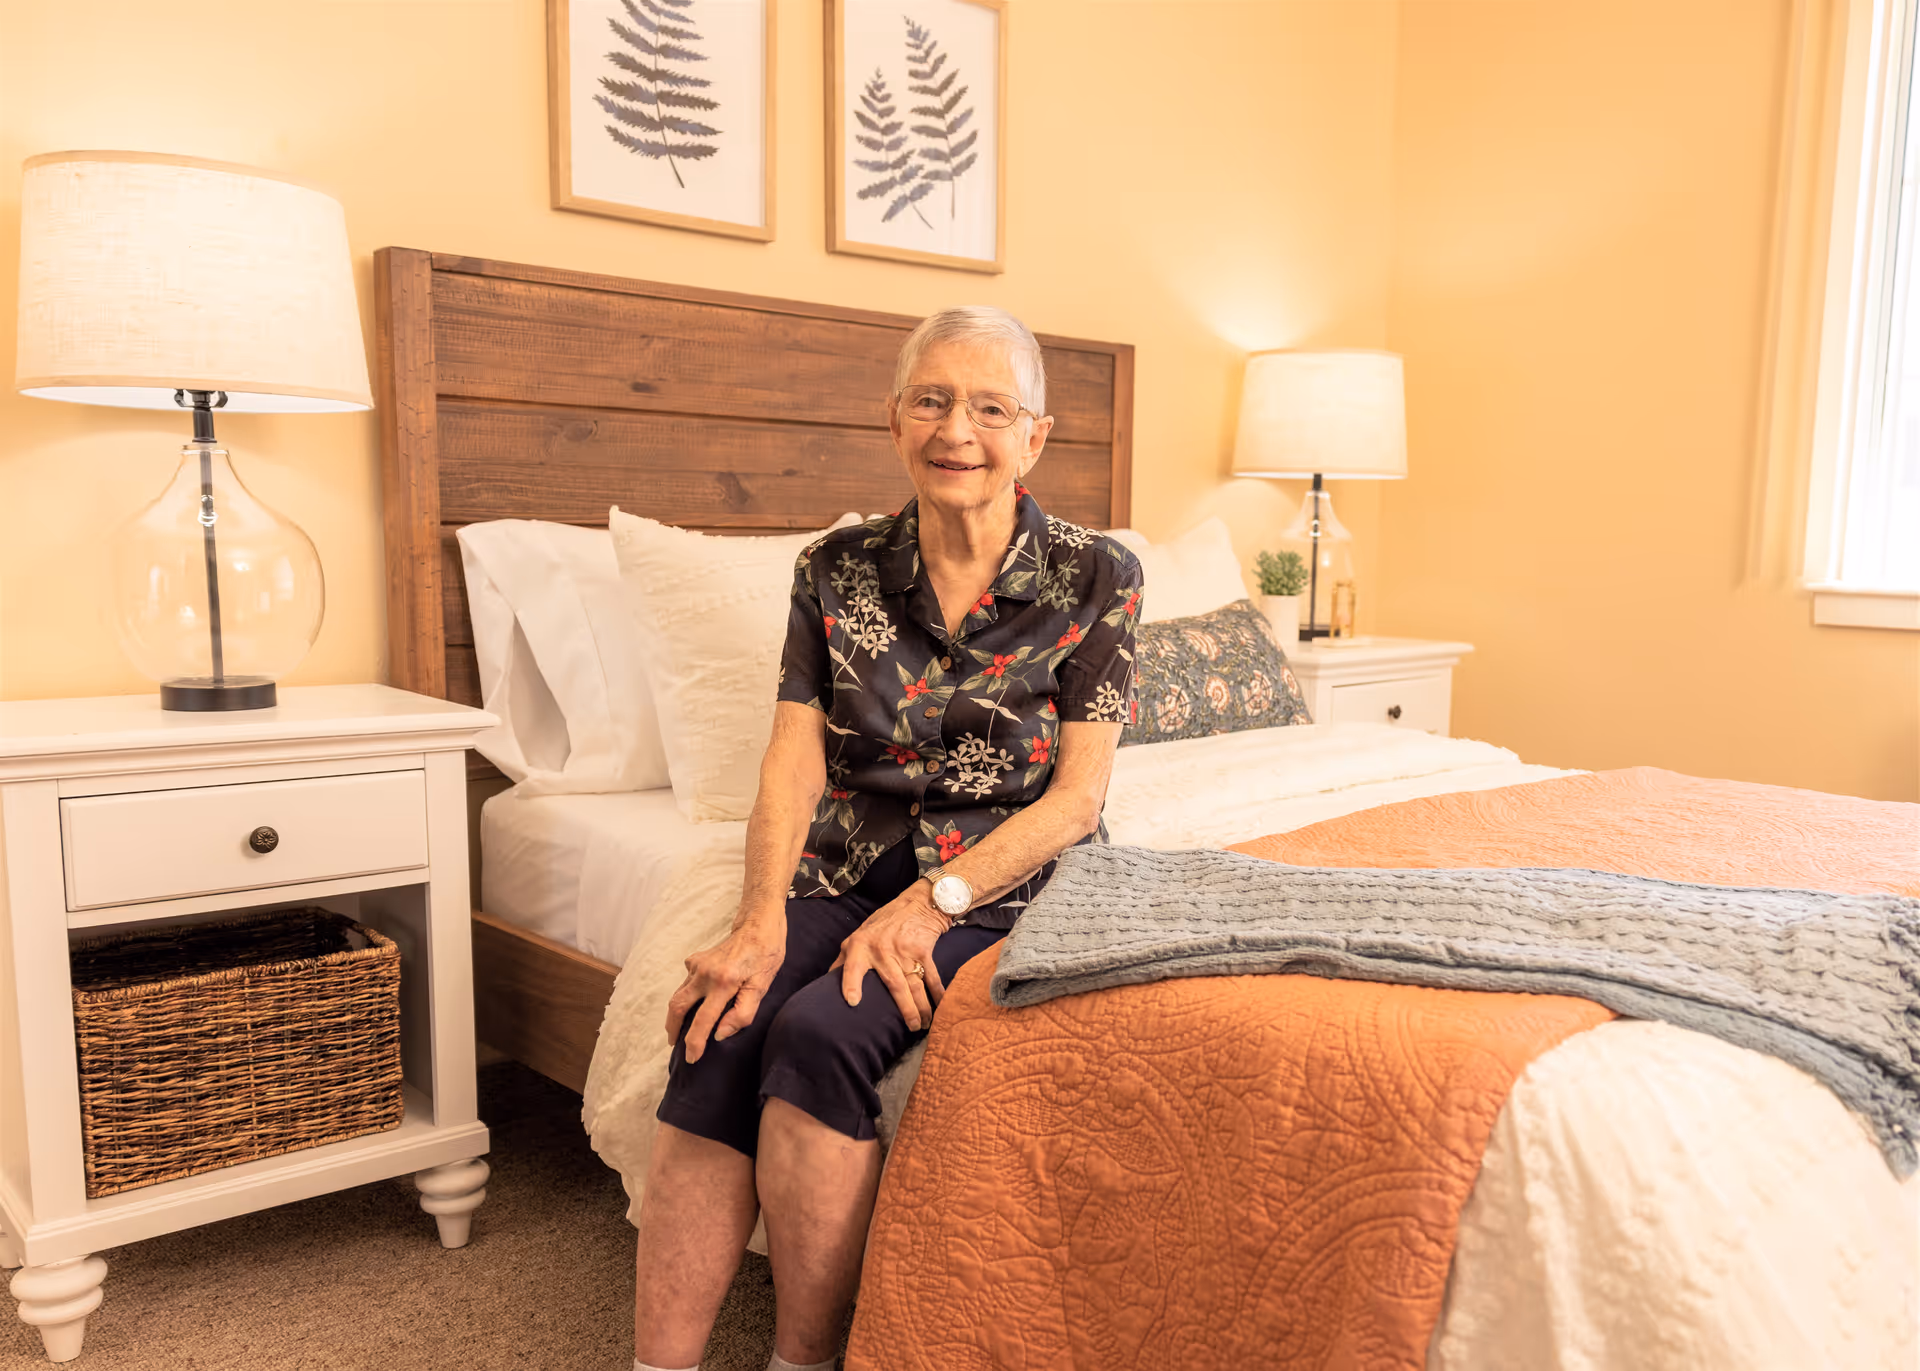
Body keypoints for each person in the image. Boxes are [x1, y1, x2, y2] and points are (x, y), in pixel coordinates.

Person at [631, 306, 1143, 1371]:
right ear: (896, 421)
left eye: (991, 408)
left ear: (1033, 438)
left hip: (1006, 884)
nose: (960, 429)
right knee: (719, 1022)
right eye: (933, 400)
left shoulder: (1098, 577)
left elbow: (1078, 803)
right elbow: (791, 757)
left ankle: (803, 1361)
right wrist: (758, 920)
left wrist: (934, 904)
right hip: (848, 863)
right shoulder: (837, 569)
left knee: (822, 1035)